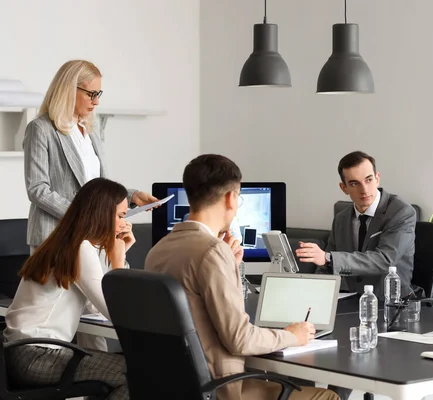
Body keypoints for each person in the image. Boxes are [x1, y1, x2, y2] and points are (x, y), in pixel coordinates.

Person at [145, 154, 338, 400]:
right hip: (220, 388)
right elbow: (239, 339)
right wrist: (293, 335)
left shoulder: (158, 250)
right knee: (325, 396)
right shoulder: (212, 252)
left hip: (174, 386)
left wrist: (230, 266)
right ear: (231, 198)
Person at [4, 177, 133, 400]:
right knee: (132, 373)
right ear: (102, 214)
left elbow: (94, 305)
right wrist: (118, 262)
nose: (125, 224)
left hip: (17, 353)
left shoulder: (67, 242)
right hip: (37, 356)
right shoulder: (81, 249)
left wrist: (117, 259)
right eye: (121, 216)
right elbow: (117, 313)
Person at [23, 59, 157, 253]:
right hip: (54, 235)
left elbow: (96, 187)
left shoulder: (90, 131)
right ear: (68, 90)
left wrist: (132, 196)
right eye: (91, 94)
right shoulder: (41, 129)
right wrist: (83, 216)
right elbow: (37, 189)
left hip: (91, 235)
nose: (96, 101)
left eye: (98, 94)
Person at [295, 151, 417, 299]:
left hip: (391, 305)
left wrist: (328, 258)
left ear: (377, 178)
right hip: (352, 301)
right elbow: (327, 267)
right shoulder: (341, 219)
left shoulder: (401, 212)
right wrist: (310, 294)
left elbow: (385, 260)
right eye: (354, 183)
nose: (364, 190)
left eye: (368, 180)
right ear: (344, 188)